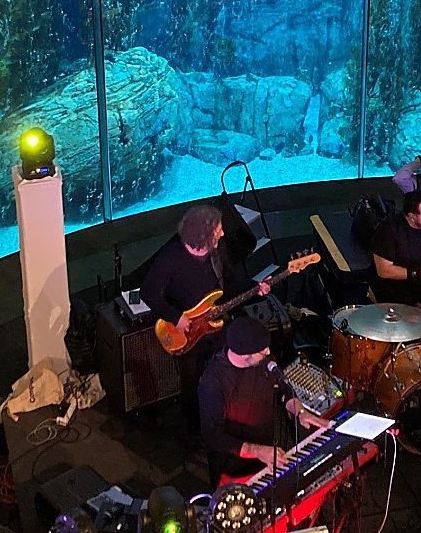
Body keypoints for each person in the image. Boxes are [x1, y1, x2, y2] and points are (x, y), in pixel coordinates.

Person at [140, 202, 269, 425]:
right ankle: (192, 423)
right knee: (190, 381)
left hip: (215, 326)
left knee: (232, 363)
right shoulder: (170, 258)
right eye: (218, 229)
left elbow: (230, 285)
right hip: (187, 333)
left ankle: (228, 410)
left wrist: (256, 288)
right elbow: (148, 293)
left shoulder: (219, 252)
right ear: (203, 236)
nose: (223, 232)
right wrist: (176, 317)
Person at [198, 316, 326, 486]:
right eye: (262, 350)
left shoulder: (264, 362)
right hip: (233, 468)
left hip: (266, 455)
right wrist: (256, 451)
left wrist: (300, 411)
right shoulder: (212, 382)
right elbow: (212, 436)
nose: (267, 352)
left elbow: (284, 389)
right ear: (244, 355)